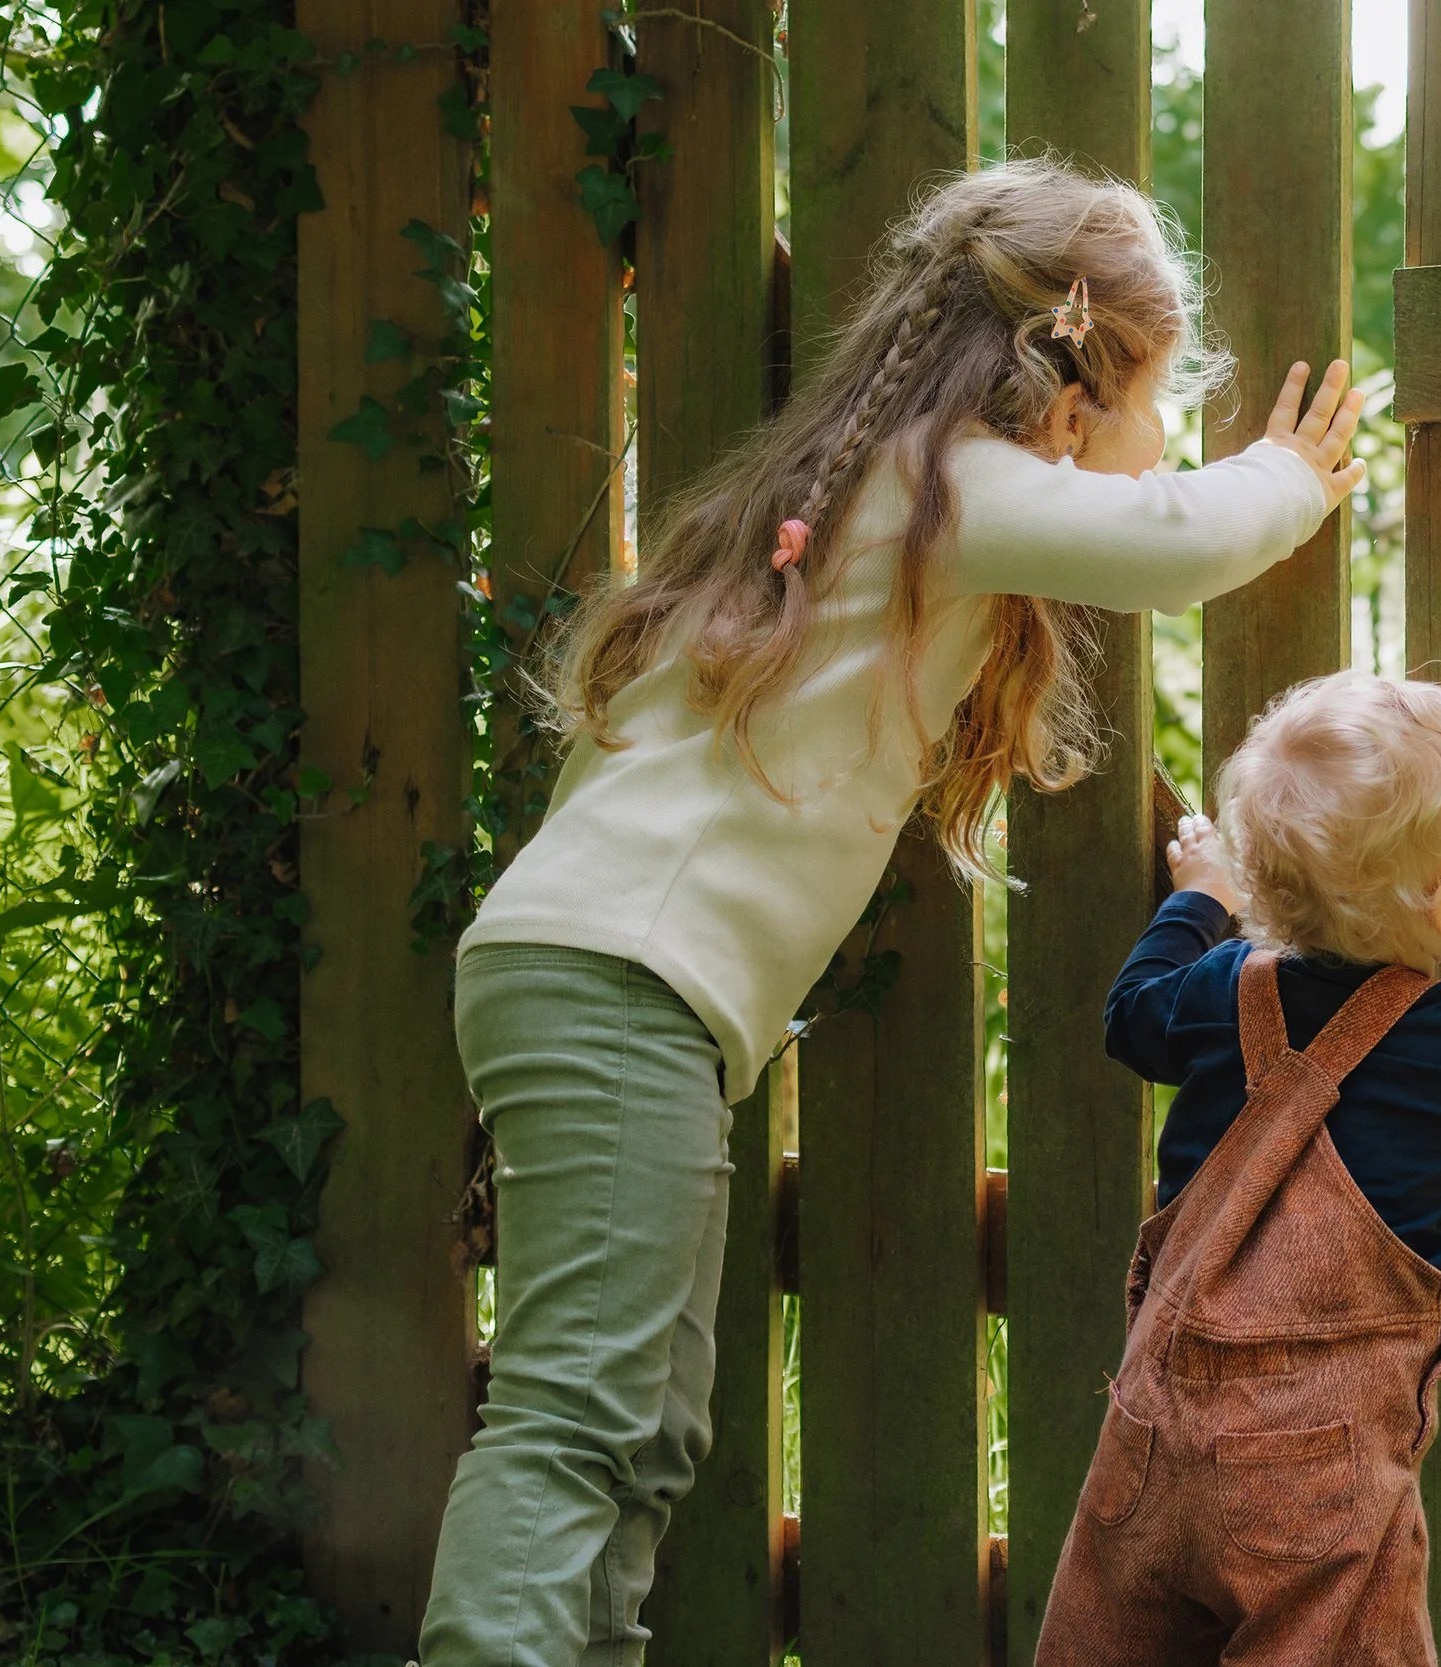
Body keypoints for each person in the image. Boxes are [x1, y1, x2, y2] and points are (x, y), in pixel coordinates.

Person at [421, 157, 1367, 1666]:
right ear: (1071, 382)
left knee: (647, 1426)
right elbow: (1178, 542)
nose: (1156, 444)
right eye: (1156, 400)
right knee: (577, 1414)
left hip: (607, 980)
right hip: (620, 982)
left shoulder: (860, 487)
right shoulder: (945, 481)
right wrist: (1291, 476)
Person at [1036, 670, 1441, 1666]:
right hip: (1318, 1487)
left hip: (1152, 1439)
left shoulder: (1221, 986)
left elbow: (1132, 1016)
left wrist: (1201, 897)